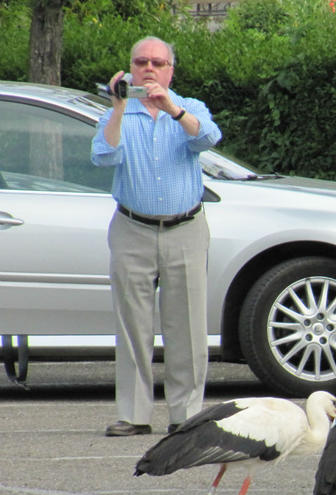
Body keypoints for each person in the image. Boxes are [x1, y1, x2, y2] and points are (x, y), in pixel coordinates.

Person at [91, 36, 222, 437]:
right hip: (132, 228)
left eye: (157, 63)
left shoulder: (189, 108)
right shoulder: (119, 112)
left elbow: (208, 139)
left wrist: (173, 109)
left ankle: (186, 414)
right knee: (133, 325)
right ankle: (134, 415)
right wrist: (117, 109)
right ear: (130, 68)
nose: (149, 69)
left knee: (187, 325)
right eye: (141, 62)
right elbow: (103, 155)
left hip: (185, 228)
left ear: (170, 70)